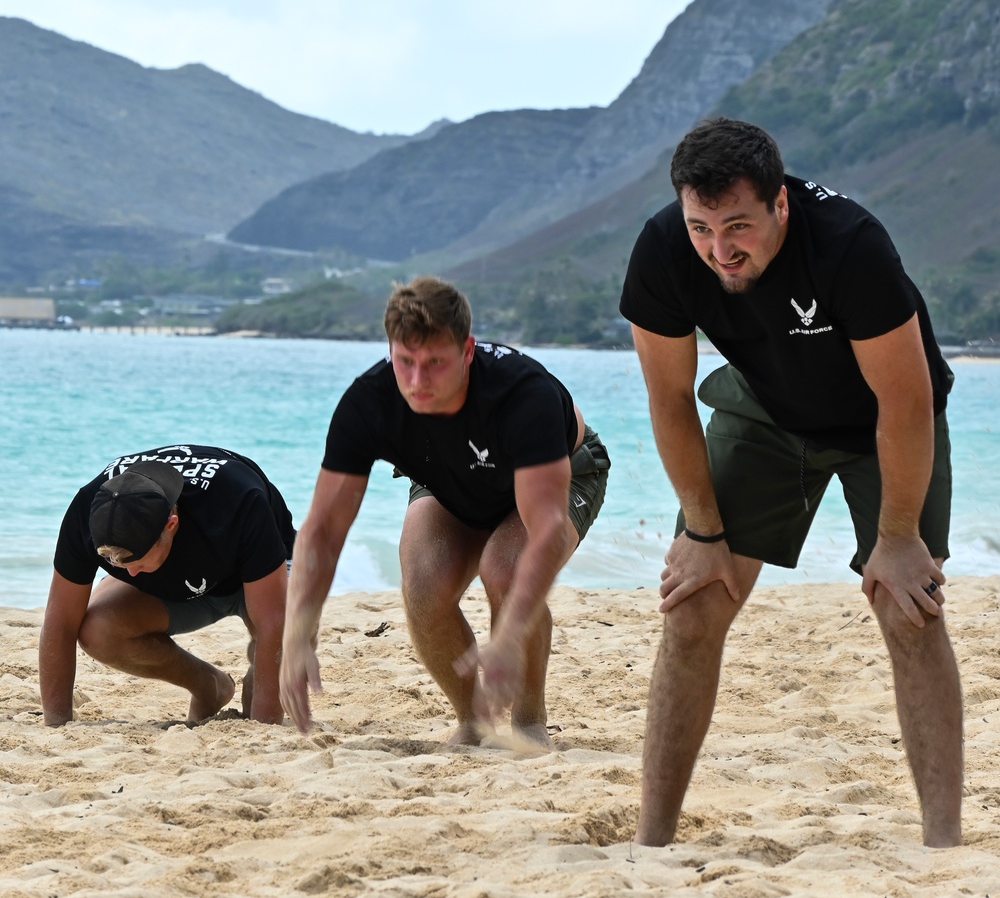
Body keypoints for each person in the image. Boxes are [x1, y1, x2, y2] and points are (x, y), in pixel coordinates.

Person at [619, 116, 962, 849]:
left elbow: (903, 404)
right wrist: (703, 532)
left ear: (780, 204)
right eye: (701, 227)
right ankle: (651, 845)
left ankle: (942, 849)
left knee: (910, 606)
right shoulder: (662, 251)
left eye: (737, 225)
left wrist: (897, 538)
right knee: (692, 603)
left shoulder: (848, 245)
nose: (719, 249)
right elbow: (670, 401)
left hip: (887, 422)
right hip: (768, 409)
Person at [279, 276, 610, 745]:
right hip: (451, 479)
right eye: (405, 362)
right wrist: (298, 634)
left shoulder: (521, 393)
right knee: (422, 585)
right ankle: (473, 722)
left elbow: (548, 527)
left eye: (435, 363)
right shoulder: (369, 402)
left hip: (564, 473)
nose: (418, 382)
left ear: (467, 351)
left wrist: (510, 635)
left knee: (506, 570)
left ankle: (530, 723)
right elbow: (323, 528)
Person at [40, 445, 295, 726]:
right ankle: (209, 686)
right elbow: (60, 622)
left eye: (134, 559)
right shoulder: (87, 509)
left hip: (256, 574)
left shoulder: (238, 501)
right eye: (117, 562)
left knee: (289, 640)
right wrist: (56, 724)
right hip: (182, 579)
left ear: (170, 525)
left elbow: (274, 621)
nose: (131, 573)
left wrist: (264, 725)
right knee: (98, 630)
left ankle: (252, 680)